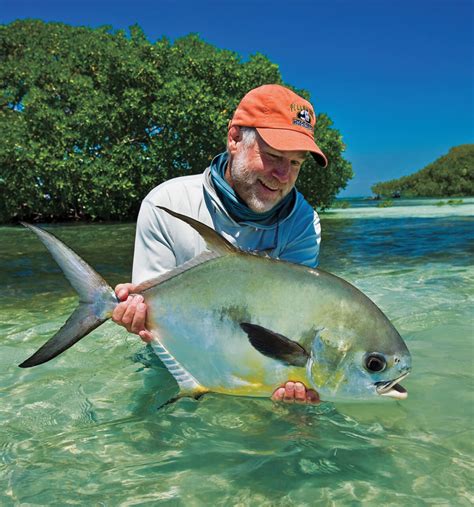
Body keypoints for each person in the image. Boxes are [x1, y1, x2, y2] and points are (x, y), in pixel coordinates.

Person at [113, 84, 328, 404]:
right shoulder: (166, 203)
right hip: (172, 362)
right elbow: (150, 318)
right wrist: (136, 314)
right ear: (234, 139)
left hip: (258, 368)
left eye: (295, 163)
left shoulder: (303, 224)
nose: (282, 175)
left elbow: (294, 321)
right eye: (272, 156)